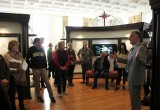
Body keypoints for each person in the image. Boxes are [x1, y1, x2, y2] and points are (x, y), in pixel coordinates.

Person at [26, 38, 56, 103]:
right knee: (37, 83)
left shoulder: (42, 49)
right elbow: (27, 59)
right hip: (35, 69)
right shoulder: (31, 49)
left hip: (43, 68)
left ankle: (51, 96)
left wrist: (46, 67)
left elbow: (45, 59)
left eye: (40, 42)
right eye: (38, 42)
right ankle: (38, 96)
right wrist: (31, 66)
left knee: (47, 82)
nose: (39, 43)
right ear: (35, 43)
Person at [4, 40, 27, 110]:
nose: (17, 47)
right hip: (12, 77)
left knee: (21, 94)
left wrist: (23, 66)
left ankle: (22, 107)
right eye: (15, 45)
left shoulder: (19, 53)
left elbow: (23, 61)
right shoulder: (6, 55)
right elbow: (7, 68)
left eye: (17, 45)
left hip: (21, 77)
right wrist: (17, 69)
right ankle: (13, 108)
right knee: (11, 94)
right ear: (11, 46)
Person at [126, 31, 147, 110]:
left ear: (137, 38)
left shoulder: (141, 48)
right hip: (131, 78)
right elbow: (128, 62)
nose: (129, 38)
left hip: (136, 78)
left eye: (131, 36)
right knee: (133, 100)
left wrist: (139, 59)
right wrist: (117, 58)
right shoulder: (132, 49)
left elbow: (144, 63)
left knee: (135, 100)